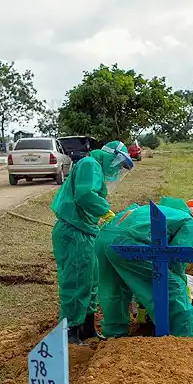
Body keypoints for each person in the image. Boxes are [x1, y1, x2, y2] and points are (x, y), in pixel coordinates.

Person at [51, 140, 133, 345]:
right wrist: (106, 212)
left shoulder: (94, 167)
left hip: (85, 230)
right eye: (118, 164)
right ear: (110, 157)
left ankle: (87, 328)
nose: (117, 169)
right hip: (73, 231)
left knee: (90, 280)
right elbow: (85, 195)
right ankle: (69, 332)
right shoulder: (90, 164)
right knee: (76, 281)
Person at [95, 197, 193, 338]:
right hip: (127, 241)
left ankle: (113, 336)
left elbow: (139, 277)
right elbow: (175, 261)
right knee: (173, 290)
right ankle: (184, 343)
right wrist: (183, 286)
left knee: (114, 289)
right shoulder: (188, 220)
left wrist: (141, 299)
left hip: (103, 237)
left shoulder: (149, 211)